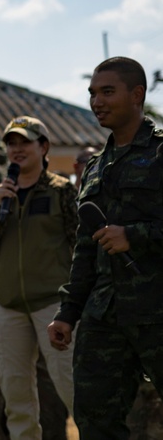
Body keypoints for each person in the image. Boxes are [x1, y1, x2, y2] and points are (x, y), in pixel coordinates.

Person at [48, 56, 163, 438]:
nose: (97, 101)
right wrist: (69, 312)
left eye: (107, 92)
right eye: (92, 93)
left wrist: (135, 235)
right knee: (95, 422)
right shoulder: (96, 167)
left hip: (157, 310)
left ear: (137, 95)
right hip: (104, 317)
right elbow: (86, 248)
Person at [0, 116, 76, 439]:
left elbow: (79, 245)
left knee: (72, 389)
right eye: (11, 143)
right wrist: (2, 203)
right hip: (8, 307)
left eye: (25, 142)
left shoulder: (62, 190)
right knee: (16, 398)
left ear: (43, 147)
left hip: (53, 305)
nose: (16, 149)